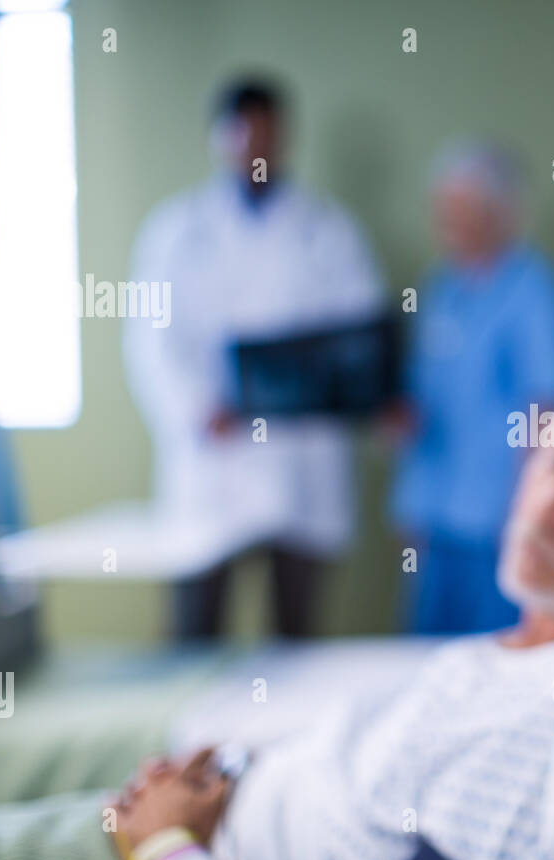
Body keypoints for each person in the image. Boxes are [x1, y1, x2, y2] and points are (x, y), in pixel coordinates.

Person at [0, 344, 554, 860]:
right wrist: (236, 770)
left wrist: (162, 847)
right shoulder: (506, 658)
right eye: (552, 457)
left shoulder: (552, 732)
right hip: (199, 805)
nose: (544, 506)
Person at [123, 77, 385, 639]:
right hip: (216, 462)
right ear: (219, 139)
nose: (257, 149)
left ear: (286, 138)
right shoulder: (176, 233)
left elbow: (360, 344)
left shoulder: (330, 232)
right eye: (244, 134)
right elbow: (150, 341)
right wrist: (196, 408)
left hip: (302, 462)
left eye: (269, 135)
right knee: (194, 632)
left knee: (295, 635)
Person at [389, 141, 554, 636]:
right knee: (427, 659)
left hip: (497, 520)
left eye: (461, 208)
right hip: (436, 520)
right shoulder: (440, 289)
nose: (447, 221)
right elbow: (423, 401)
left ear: (500, 212)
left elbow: (544, 409)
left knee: (489, 658)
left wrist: (532, 513)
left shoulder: (533, 290)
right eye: (443, 208)